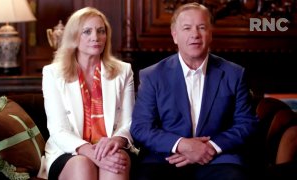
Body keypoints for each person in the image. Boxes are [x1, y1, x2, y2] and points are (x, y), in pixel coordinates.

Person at [130, 2, 258, 180]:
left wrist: (211, 146)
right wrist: (182, 145)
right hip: (166, 157)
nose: (195, 35)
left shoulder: (234, 74)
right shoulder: (152, 75)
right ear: (175, 36)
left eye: (202, 27)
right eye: (187, 28)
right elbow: (141, 127)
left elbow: (246, 123)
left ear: (210, 34)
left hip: (218, 159)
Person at [37, 7, 137, 180]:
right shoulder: (53, 73)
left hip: (111, 147)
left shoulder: (123, 71)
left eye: (101, 31)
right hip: (69, 150)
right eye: (87, 31)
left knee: (115, 161)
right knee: (82, 164)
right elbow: (58, 130)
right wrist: (90, 152)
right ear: (74, 36)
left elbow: (129, 122)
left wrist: (116, 141)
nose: (95, 37)